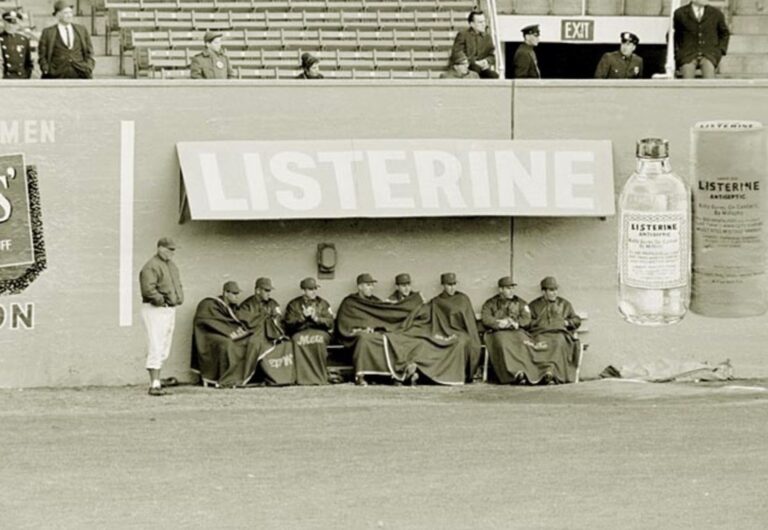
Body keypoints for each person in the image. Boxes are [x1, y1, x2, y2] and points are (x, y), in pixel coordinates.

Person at [191, 281, 264, 388]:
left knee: (247, 342)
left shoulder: (232, 307)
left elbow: (235, 321)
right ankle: (223, 378)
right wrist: (226, 331)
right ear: (226, 293)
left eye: (237, 293)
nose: (237, 296)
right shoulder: (210, 304)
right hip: (207, 336)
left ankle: (239, 377)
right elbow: (208, 323)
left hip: (224, 334)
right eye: (234, 294)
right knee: (227, 343)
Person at [139, 237, 183, 396]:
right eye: (169, 249)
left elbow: (177, 285)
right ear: (160, 248)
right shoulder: (151, 266)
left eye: (173, 250)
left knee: (164, 345)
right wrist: (161, 300)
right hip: (155, 309)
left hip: (168, 309)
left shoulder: (171, 266)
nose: (172, 252)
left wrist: (177, 299)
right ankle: (154, 384)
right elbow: (148, 290)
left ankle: (157, 379)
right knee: (155, 345)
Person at [234, 277, 295, 386]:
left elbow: (278, 319)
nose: (269, 293)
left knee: (288, 344)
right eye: (266, 291)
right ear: (257, 290)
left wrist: (271, 320)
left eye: (269, 291)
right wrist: (263, 319)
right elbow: (243, 322)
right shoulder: (247, 304)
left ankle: (282, 378)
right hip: (255, 336)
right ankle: (257, 376)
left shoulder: (272, 303)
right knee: (256, 344)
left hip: (272, 336)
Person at [481, 276, 538, 385]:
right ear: (500, 289)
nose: (511, 290)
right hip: (498, 332)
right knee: (503, 343)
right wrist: (499, 323)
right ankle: (511, 374)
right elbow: (486, 318)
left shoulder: (520, 303)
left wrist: (517, 323)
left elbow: (527, 318)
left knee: (524, 342)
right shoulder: (490, 303)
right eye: (508, 288)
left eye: (512, 288)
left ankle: (526, 372)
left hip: (516, 332)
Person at [528, 276, 582, 384]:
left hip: (560, 334)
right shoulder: (534, 305)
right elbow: (527, 322)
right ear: (544, 292)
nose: (555, 293)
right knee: (539, 344)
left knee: (558, 342)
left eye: (556, 290)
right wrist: (540, 323)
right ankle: (541, 374)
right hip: (540, 334)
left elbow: (576, 320)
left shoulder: (564, 304)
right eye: (551, 290)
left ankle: (553, 374)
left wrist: (567, 323)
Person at [283, 277, 336, 385]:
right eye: (311, 289)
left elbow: (330, 322)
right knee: (298, 340)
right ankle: (302, 378)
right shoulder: (293, 304)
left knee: (318, 340)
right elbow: (288, 324)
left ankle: (320, 376)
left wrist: (316, 318)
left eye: (315, 289)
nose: (314, 291)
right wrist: (303, 317)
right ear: (304, 290)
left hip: (320, 331)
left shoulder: (323, 303)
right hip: (301, 332)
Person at [431, 272, 482, 382]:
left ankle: (460, 374)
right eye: (449, 285)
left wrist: (472, 336)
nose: (452, 287)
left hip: (461, 332)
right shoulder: (437, 301)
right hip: (444, 332)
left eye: (454, 284)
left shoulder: (463, 299)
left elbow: (469, 321)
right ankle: (442, 374)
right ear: (443, 285)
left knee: (462, 342)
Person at [38, 1, 95, 79]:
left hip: (80, 73)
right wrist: (46, 69)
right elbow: (42, 55)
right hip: (56, 75)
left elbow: (90, 52)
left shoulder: (82, 30)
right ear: (58, 15)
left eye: (70, 13)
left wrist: (88, 67)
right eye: (66, 13)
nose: (69, 15)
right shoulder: (48, 32)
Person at [673, 0, 729, 79]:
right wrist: (678, 53)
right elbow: (674, 34)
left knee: (709, 80)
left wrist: (720, 51)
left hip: (709, 54)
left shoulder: (716, 13)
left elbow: (724, 33)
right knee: (687, 81)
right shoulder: (680, 13)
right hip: (687, 54)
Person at [450, 10, 498, 79]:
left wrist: (486, 61)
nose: (483, 24)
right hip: (467, 67)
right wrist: (473, 62)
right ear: (472, 24)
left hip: (481, 68)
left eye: (484, 21)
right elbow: (458, 53)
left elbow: (491, 56)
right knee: (475, 69)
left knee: (494, 76)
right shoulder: (463, 35)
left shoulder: (487, 37)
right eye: (480, 22)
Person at [0, 10, 33, 79]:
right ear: (4, 23)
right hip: (5, 78)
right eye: (8, 23)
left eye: (14, 23)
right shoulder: (1, 38)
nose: (10, 26)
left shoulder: (23, 40)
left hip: (21, 77)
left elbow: (28, 62)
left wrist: (26, 75)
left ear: (18, 25)